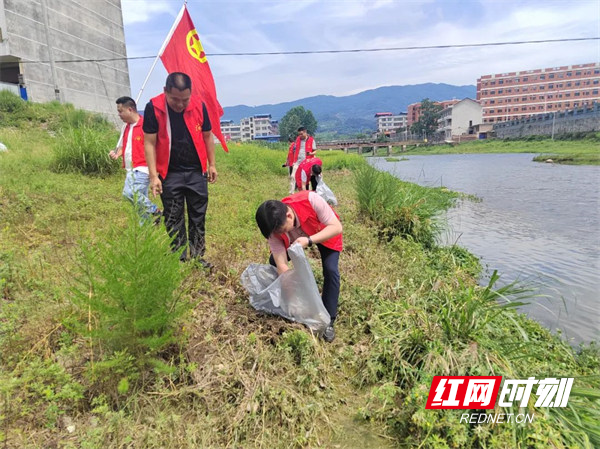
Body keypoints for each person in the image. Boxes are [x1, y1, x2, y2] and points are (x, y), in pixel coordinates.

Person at [143, 72, 217, 267]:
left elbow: (208, 136)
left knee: (197, 215)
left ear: (191, 94)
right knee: (173, 215)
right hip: (169, 172)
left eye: (184, 100)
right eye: (175, 99)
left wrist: (212, 164)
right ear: (165, 91)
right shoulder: (154, 107)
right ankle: (180, 258)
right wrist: (153, 176)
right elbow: (149, 143)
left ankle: (198, 256)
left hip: (196, 171)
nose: (180, 104)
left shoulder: (199, 106)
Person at [255, 190, 342, 342]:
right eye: (276, 233)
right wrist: (293, 300)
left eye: (282, 230)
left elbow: (336, 227)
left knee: (331, 270)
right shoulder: (274, 227)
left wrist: (309, 240)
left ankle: (329, 320)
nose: (278, 234)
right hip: (296, 241)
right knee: (274, 261)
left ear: (289, 216)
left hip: (324, 232)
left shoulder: (310, 200)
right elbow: (282, 264)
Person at [109, 96, 160, 223]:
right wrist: (117, 154)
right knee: (139, 203)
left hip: (142, 167)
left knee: (129, 193)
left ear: (130, 110)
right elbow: (123, 146)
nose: (119, 114)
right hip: (130, 168)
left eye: (120, 111)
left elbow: (153, 146)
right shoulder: (125, 127)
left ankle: (155, 210)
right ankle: (147, 227)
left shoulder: (145, 125)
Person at [288, 126, 316, 194]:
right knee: (292, 176)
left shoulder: (311, 140)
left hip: (307, 162)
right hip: (298, 161)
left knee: (306, 178)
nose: (300, 135)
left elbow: (315, 151)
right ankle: (292, 192)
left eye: (301, 134)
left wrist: (311, 153)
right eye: (299, 134)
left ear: (305, 132)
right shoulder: (298, 139)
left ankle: (307, 192)